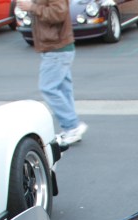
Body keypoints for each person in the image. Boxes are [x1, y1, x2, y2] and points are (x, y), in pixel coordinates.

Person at [17, 0, 87, 145]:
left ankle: (72, 126)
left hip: (57, 49)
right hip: (57, 47)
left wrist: (32, 7)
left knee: (48, 88)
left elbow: (58, 13)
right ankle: (71, 127)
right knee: (63, 88)